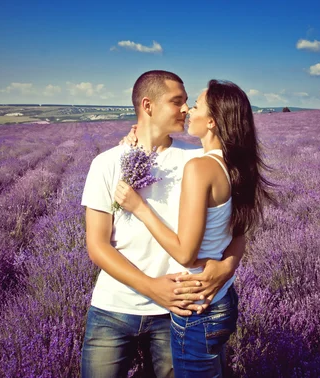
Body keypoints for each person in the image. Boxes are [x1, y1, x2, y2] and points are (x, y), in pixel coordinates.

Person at [80, 71, 245, 378]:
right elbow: (97, 245)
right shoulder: (108, 163)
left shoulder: (197, 159)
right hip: (114, 306)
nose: (185, 109)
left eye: (188, 103)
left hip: (176, 311)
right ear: (148, 105)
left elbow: (238, 227)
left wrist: (227, 266)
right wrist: (153, 289)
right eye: (177, 101)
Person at [115, 79, 275, 377]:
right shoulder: (231, 165)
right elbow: (239, 232)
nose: (188, 110)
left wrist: (139, 208)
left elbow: (186, 254)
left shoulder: (199, 168)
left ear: (212, 121)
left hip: (196, 305)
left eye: (197, 105)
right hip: (221, 298)